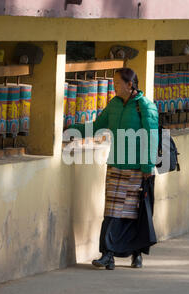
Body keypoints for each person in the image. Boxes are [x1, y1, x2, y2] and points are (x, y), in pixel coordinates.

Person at [67, 68, 159, 269]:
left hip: (137, 169)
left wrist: (147, 166)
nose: (114, 86)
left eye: (118, 83)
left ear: (130, 85)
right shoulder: (114, 105)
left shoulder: (145, 107)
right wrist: (71, 128)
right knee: (112, 212)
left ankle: (137, 254)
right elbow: (99, 125)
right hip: (116, 166)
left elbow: (151, 137)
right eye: (114, 83)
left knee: (134, 214)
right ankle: (107, 254)